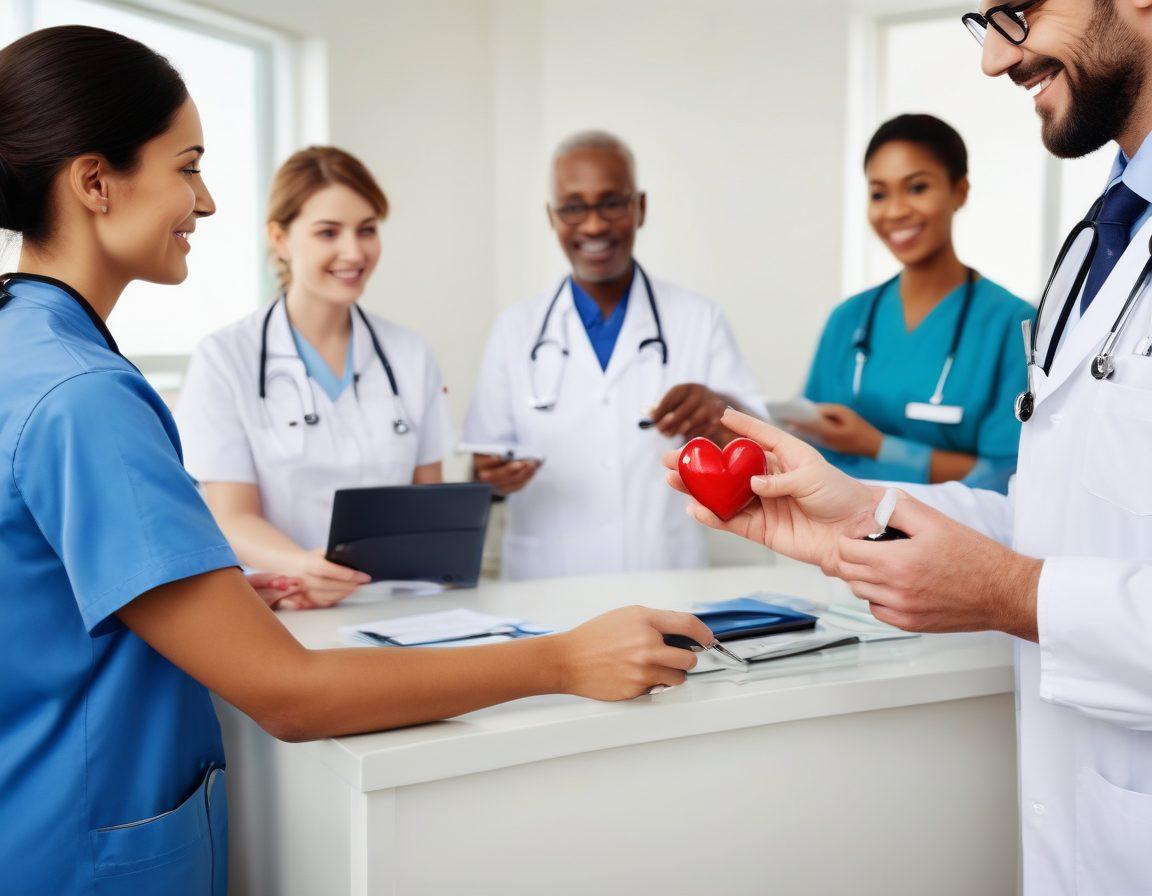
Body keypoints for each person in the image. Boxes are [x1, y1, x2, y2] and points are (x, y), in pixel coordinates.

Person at [0, 26, 715, 894]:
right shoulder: (86, 397)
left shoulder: (25, 350)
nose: (207, 200)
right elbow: (289, 693)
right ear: (94, 181)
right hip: (80, 850)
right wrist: (563, 661)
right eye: (187, 166)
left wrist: (217, 593)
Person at [667, 3, 1152, 891]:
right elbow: (1062, 511)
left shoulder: (1011, 304)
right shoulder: (1103, 246)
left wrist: (1010, 593)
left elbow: (1038, 558)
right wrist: (859, 509)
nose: (995, 60)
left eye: (1021, 10)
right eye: (984, 23)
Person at [463, 130, 767, 580]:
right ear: (552, 217)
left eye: (611, 203)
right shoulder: (515, 330)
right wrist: (490, 477)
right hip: (545, 587)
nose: (593, 225)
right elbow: (480, 468)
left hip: (665, 580)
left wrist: (721, 412)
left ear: (639, 207)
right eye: (573, 207)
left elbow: (761, 452)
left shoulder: (698, 319)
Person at [175, 147, 448, 608]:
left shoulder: (409, 354)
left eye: (367, 230)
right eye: (328, 232)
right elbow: (231, 515)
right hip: (285, 605)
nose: (354, 251)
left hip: (401, 607)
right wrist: (303, 567)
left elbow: (432, 508)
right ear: (280, 238)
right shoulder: (226, 357)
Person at [800, 114, 1033, 493]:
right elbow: (806, 447)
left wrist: (876, 446)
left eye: (917, 188)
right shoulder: (848, 319)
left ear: (960, 191)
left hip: (955, 539)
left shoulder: (1012, 324)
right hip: (841, 537)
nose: (894, 211)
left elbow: (1008, 472)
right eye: (879, 194)